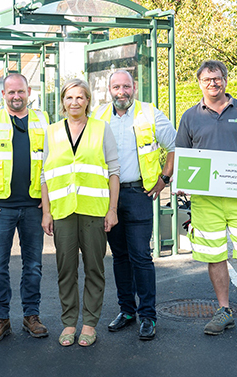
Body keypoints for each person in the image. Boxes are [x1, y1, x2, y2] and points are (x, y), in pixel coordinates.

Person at [175, 59, 237, 343]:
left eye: (217, 78)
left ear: (226, 80)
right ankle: (223, 310)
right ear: (199, 83)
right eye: (207, 80)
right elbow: (182, 153)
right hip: (206, 201)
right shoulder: (190, 116)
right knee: (214, 254)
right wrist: (181, 183)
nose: (213, 83)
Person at [93, 70, 176, 341]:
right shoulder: (98, 117)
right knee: (119, 256)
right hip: (108, 198)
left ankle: (148, 315)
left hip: (140, 194)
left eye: (126, 86)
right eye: (116, 87)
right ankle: (127, 311)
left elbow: (176, 145)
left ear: (134, 87)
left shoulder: (150, 113)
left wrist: (164, 178)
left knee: (141, 256)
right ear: (109, 90)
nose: (122, 92)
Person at [41, 78, 119, 348]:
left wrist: (112, 210)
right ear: (62, 101)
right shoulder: (51, 131)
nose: (74, 102)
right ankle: (69, 323)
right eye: (69, 97)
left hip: (94, 210)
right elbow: (45, 174)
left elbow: (113, 171)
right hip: (63, 211)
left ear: (87, 100)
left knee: (95, 268)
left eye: (79, 97)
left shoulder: (101, 129)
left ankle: (89, 324)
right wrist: (46, 212)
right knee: (66, 270)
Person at [0, 73, 50, 343]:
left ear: (29, 92)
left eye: (20, 91)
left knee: (33, 266)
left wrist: (48, 199)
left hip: (33, 206)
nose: (16, 96)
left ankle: (32, 316)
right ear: (2, 95)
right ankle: (0, 319)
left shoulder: (43, 120)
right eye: (10, 92)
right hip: (0, 207)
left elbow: (52, 162)